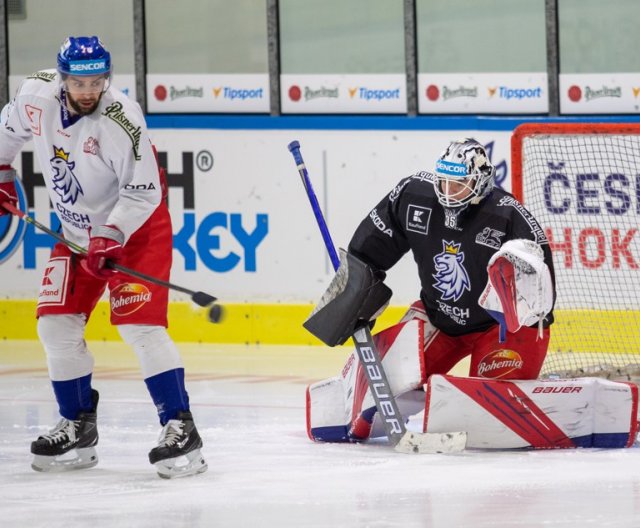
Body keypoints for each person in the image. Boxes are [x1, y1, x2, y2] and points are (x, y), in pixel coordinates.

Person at [0, 36, 206, 478]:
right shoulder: (35, 95)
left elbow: (145, 191)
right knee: (54, 324)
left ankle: (179, 425)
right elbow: (7, 128)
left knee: (140, 327)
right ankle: (77, 424)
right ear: (62, 79)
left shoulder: (121, 119)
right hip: (75, 234)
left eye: (97, 81)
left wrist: (110, 235)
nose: (89, 91)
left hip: (134, 231)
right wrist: (1, 171)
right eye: (79, 82)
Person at [304, 138, 556, 442]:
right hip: (438, 318)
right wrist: (356, 290)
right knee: (379, 388)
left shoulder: (508, 217)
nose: (448, 192)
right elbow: (369, 251)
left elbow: (540, 301)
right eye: (444, 182)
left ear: (481, 180)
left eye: (459, 184)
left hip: (501, 329)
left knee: (492, 410)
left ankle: (530, 390)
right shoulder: (412, 196)